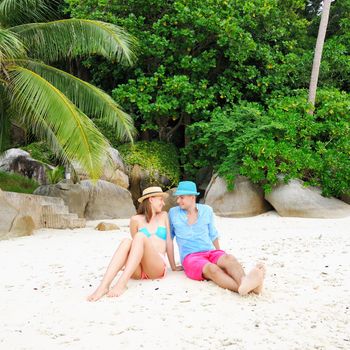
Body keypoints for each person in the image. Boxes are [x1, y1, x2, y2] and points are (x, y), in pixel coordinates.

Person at [168, 181, 266, 295]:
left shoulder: (207, 210)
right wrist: (173, 266)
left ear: (192, 197)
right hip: (191, 257)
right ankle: (250, 288)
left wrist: (220, 255)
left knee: (229, 258)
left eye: (181, 197)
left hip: (210, 251)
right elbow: (169, 239)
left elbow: (213, 234)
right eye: (178, 198)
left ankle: (247, 284)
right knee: (212, 269)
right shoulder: (173, 213)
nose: (178, 201)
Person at [87, 186, 180, 301]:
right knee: (127, 242)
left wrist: (174, 266)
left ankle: (121, 283)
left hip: (156, 268)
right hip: (138, 271)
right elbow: (135, 246)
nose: (163, 203)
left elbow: (169, 242)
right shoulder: (135, 220)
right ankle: (103, 286)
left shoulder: (163, 216)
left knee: (140, 236)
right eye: (160, 199)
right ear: (151, 199)